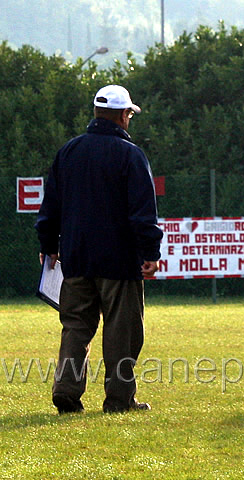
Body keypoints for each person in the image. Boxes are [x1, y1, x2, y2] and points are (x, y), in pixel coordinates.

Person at [35, 85, 163, 414]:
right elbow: (143, 212)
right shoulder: (130, 155)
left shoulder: (69, 151)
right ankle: (120, 400)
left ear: (95, 114)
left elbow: (50, 205)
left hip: (75, 256)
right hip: (119, 261)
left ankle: (66, 389)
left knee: (76, 326)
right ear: (124, 115)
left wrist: (48, 244)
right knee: (122, 330)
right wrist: (150, 251)